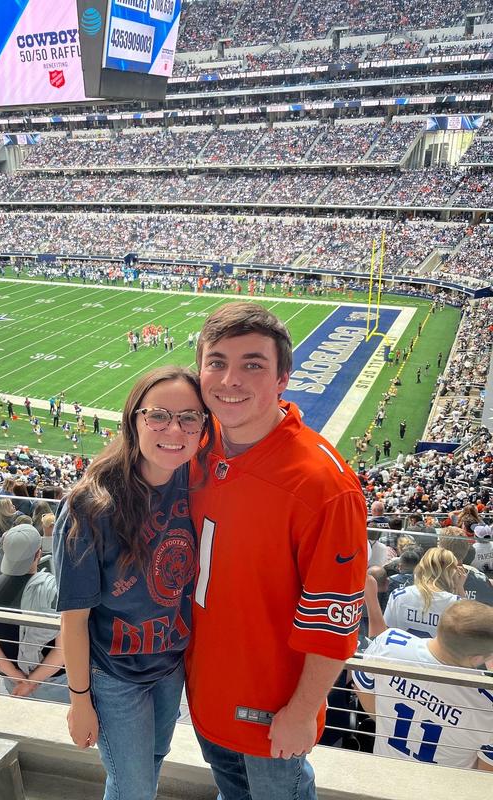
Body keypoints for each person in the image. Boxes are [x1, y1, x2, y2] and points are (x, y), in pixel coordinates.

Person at [186, 302, 367, 800]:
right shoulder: (198, 447)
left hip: (271, 708)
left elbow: (334, 620)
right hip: (205, 693)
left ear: (284, 377)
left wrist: (304, 710)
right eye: (217, 362)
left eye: (253, 364)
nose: (230, 379)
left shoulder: (323, 483)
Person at [54, 365, 213, 800]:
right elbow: (74, 619)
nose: (173, 429)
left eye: (189, 417)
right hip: (114, 675)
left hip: (169, 664)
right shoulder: (91, 507)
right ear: (133, 420)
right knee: (134, 788)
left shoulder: (196, 482)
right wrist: (80, 700)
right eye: (158, 415)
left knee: (150, 767)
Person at [353, 600, 493, 770]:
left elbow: (362, 688)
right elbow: (484, 774)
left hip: (383, 770)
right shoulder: (487, 705)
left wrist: (386, 722)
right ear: (477, 658)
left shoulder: (388, 644)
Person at [0, 524, 68, 702]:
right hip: (55, 681)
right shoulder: (57, 591)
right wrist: (31, 682)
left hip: (12, 681)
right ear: (38, 554)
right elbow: (63, 648)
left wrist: (17, 676)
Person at [384, 548, 465, 638]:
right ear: (452, 572)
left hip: (401, 651)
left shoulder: (398, 595)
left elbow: (386, 633)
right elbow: (462, 637)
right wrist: (459, 587)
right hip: (434, 652)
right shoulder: (455, 603)